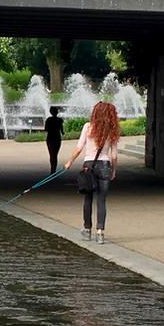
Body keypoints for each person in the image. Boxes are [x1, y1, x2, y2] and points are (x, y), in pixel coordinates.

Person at [67, 99, 121, 243]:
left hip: (88, 165)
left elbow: (79, 148)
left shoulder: (88, 127)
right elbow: (114, 155)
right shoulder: (112, 130)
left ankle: (87, 229)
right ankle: (100, 233)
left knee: (87, 198)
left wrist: (69, 162)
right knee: (101, 200)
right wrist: (114, 170)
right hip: (105, 165)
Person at [43, 106, 63, 177]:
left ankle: (52, 170)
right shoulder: (60, 120)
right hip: (57, 138)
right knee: (55, 155)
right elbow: (62, 130)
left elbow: (45, 129)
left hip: (50, 138)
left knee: (52, 154)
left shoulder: (48, 120)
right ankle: (54, 170)